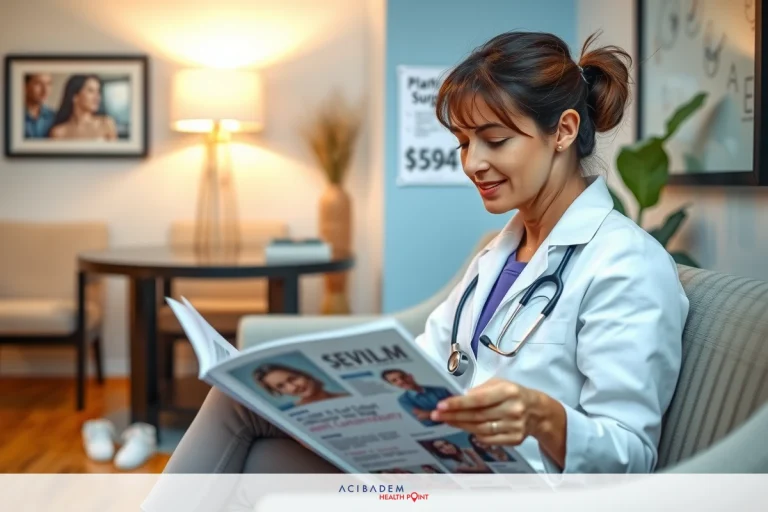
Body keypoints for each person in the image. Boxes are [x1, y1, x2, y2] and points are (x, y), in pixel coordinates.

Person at [159, 30, 687, 475]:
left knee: (251, 450)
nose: (472, 163)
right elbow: (430, 363)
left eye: (494, 139)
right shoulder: (500, 253)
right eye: (462, 143)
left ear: (564, 131)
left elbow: (632, 456)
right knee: (248, 412)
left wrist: (544, 417)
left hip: (516, 489)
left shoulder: (626, 264)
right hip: (438, 462)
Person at [48, 74, 117, 140]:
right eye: (91, 91)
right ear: (75, 97)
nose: (97, 97)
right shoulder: (58, 133)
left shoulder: (106, 124)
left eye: (98, 92)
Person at [252, 363, 348, 408]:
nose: (293, 388)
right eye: (281, 386)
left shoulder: (347, 396)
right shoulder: (286, 411)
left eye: (293, 379)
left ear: (303, 374)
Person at [381, 369, 452, 426]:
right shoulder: (403, 400)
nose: (401, 381)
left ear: (410, 376)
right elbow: (427, 422)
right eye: (394, 380)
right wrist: (445, 412)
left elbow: (457, 410)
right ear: (392, 384)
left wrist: (429, 414)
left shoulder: (441, 390)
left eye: (403, 377)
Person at [420, 438, 492, 474]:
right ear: (439, 452)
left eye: (447, 444)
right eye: (441, 448)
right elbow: (484, 469)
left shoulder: (467, 450)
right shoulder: (452, 464)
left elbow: (486, 468)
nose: (447, 448)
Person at [23, 73, 55, 138]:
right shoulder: (13, 116)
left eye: (48, 84)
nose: (45, 90)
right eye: (38, 84)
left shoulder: (54, 117)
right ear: (25, 86)